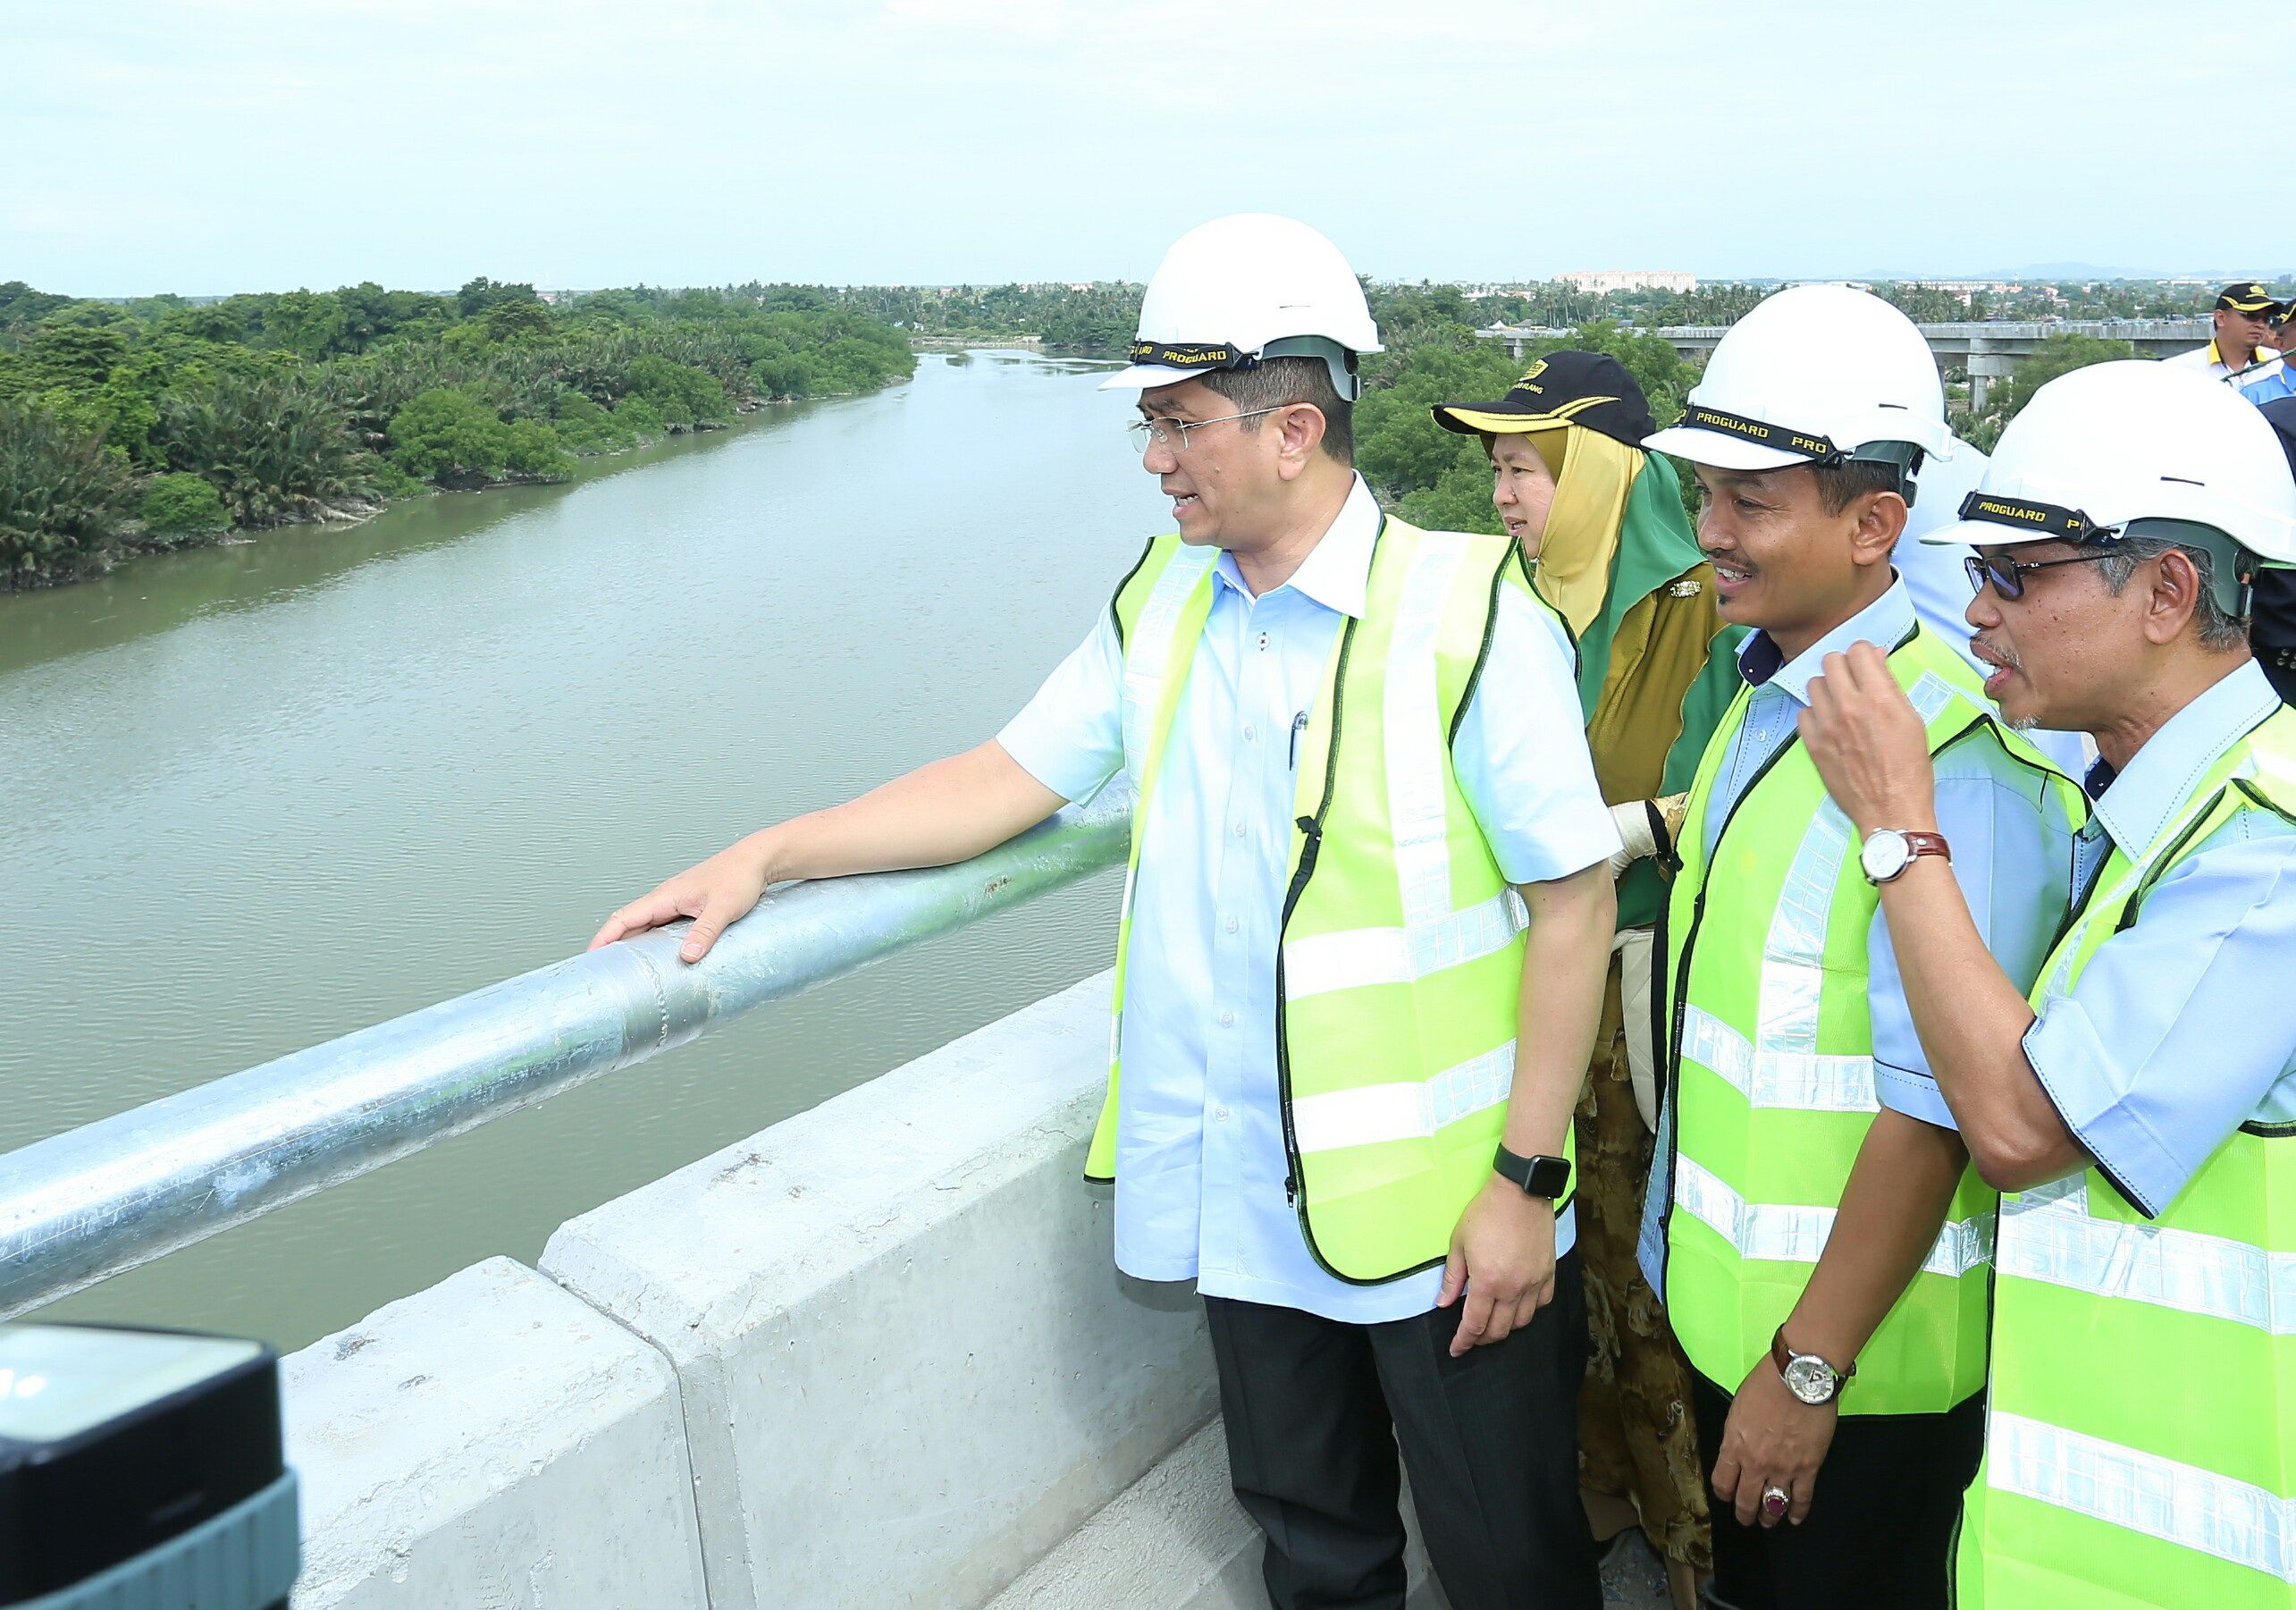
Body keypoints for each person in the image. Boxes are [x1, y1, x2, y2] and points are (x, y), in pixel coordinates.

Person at [592, 214, 1624, 1610]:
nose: (1154, 459)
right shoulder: (1163, 604)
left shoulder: (1463, 611)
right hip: (1244, 1199)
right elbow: (1002, 780)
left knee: (1509, 1560)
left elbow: (1573, 904)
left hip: (1449, 1219)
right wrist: (769, 855)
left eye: (1178, 423)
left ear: (1292, 431)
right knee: (1315, 1548)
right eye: (1150, 424)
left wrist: (1523, 1183)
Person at [1796, 358, 2296, 1608]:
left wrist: (1898, 826)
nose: (1978, 616)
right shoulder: (2166, 808)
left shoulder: (2265, 850)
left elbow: (2020, 1126)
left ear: (2169, 591)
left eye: (2017, 576)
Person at [1631, 283, 2082, 1610]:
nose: (1708, 532)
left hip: (1861, 1386)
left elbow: (1941, 1105)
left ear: (1876, 524)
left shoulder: (1951, 757)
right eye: (1706, 493)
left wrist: (1806, 1370)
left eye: (1750, 503)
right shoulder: (1774, 703)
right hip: (1747, 1338)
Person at [1430, 353, 1739, 1610]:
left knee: (1635, 1264)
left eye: (1525, 466)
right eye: (1496, 467)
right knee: (1570, 1275)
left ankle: (1691, 1553)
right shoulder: (1498, 599)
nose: (1503, 493)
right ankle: (1606, 1491)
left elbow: (1739, 779)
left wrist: (1620, 832)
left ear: (1603, 468)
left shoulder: (1699, 594)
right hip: (1533, 970)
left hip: (1649, 974)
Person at [2166, 282, 2285, 392]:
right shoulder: (2179, 370)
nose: (2261, 325)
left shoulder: (2281, 365)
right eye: (2251, 316)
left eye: (2266, 319)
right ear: (2220, 318)